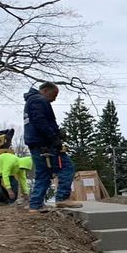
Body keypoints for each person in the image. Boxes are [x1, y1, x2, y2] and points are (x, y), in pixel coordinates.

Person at [23, 81, 80, 212]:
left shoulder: (31, 101)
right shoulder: (39, 100)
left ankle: (35, 205)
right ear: (46, 91)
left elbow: (39, 121)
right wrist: (54, 137)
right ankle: (62, 199)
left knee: (43, 174)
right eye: (54, 95)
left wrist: (57, 132)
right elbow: (40, 120)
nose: (54, 99)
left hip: (36, 144)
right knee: (67, 168)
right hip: (46, 145)